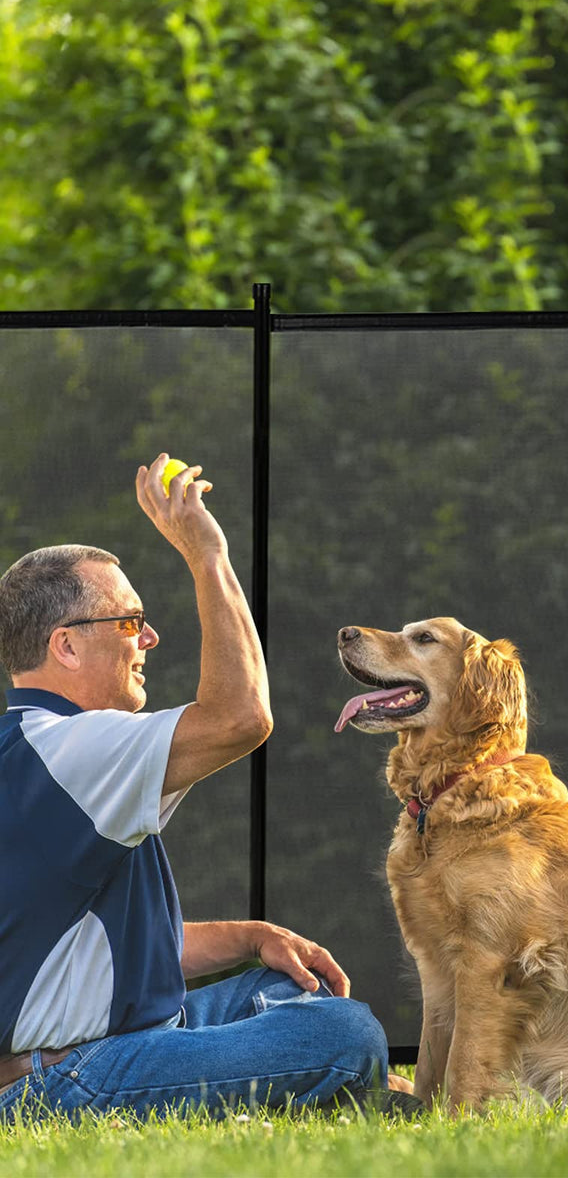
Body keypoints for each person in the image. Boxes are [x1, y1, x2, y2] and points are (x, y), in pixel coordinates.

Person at [0, 455, 420, 1122]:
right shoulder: (72, 748)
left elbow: (108, 955)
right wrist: (206, 553)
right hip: (68, 1079)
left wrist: (253, 936)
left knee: (290, 988)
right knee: (342, 1033)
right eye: (129, 621)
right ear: (67, 647)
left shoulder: (36, 747)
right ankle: (342, 1089)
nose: (149, 637)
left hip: (98, 1044)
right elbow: (240, 717)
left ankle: (328, 1096)